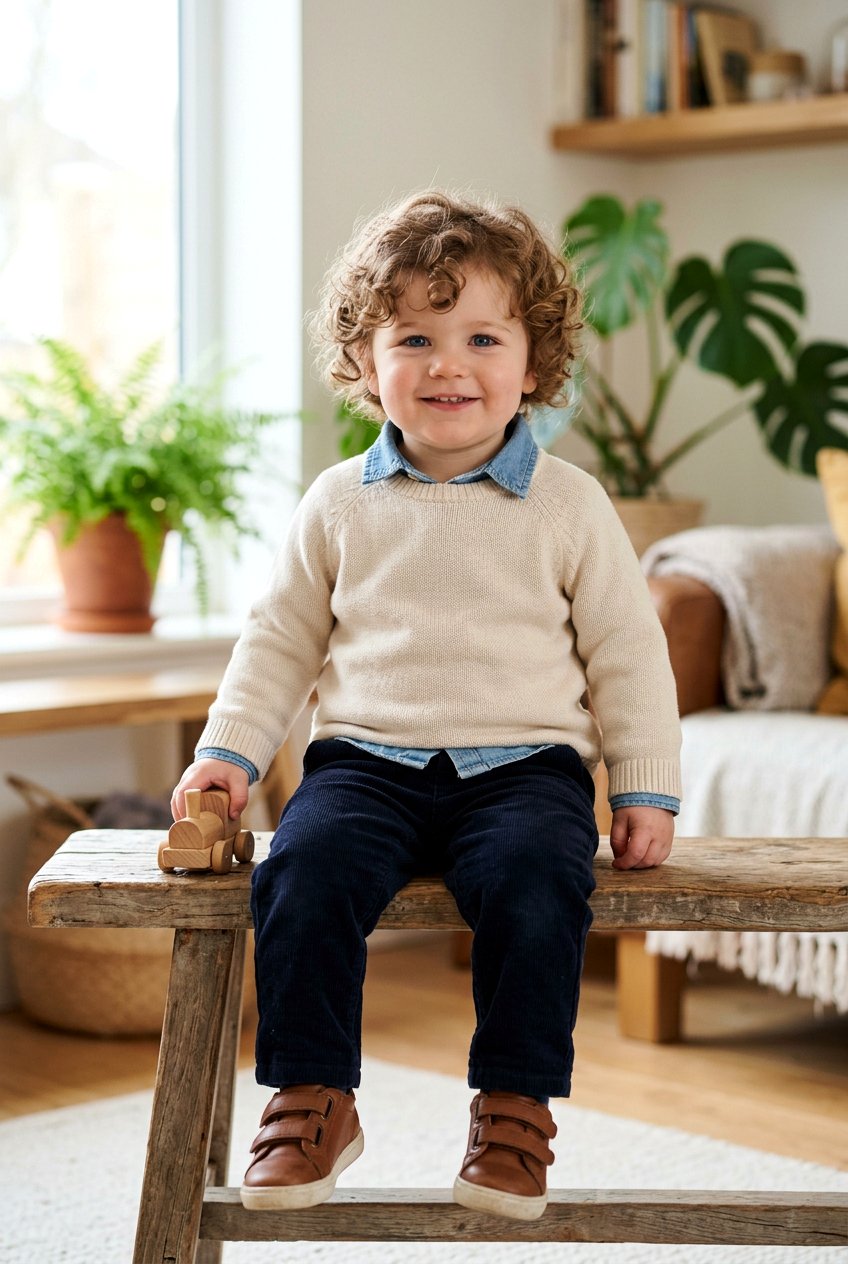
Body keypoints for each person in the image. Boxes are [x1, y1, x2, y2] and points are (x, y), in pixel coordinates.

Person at [171, 189, 682, 1222]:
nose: (447, 363)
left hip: (524, 768)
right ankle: (312, 1095)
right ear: (365, 365)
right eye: (414, 336)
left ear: (532, 365)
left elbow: (628, 654)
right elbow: (278, 639)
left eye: (480, 336)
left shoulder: (568, 504)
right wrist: (228, 751)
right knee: (301, 873)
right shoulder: (336, 503)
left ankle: (512, 1109)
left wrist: (644, 788)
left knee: (540, 880)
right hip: (365, 762)